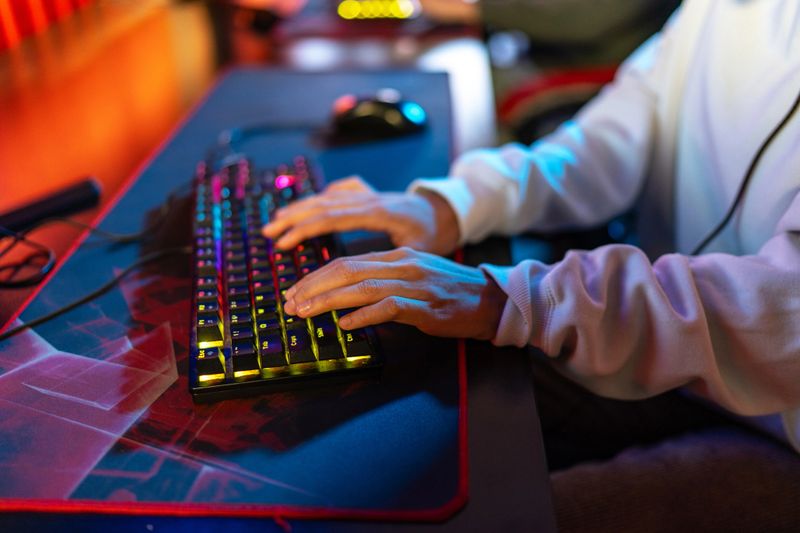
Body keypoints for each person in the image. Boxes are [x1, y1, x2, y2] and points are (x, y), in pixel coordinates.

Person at [264, 0, 800, 528]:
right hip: (656, 352)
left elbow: (782, 319)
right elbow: (611, 138)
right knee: (387, 413)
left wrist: (518, 300)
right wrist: (453, 206)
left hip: (778, 431)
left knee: (478, 518)